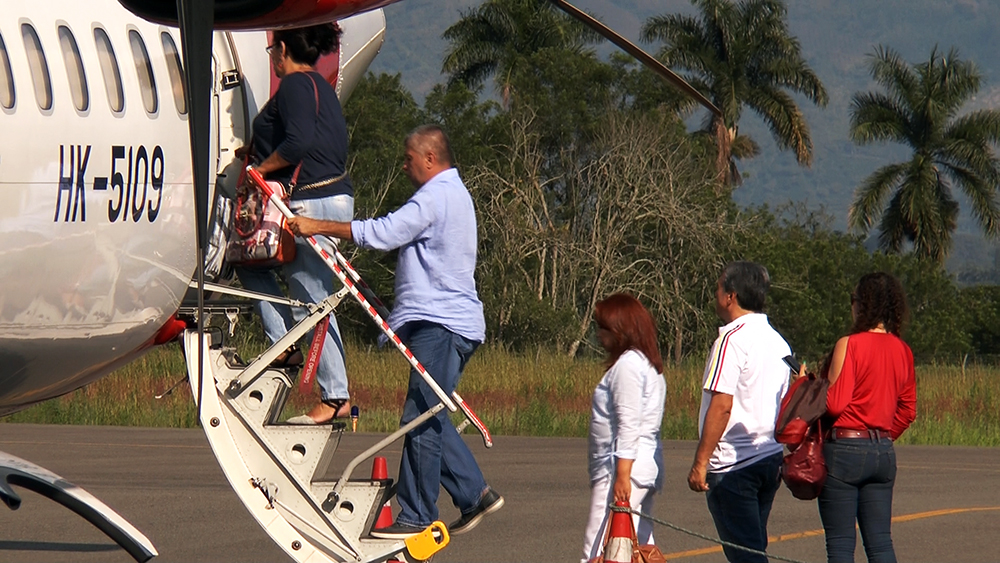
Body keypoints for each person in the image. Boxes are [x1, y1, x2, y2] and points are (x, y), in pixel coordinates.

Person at [286, 124, 504, 539]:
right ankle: (475, 494)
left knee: (419, 418)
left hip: (440, 326)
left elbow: (384, 233)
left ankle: (418, 514)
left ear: (429, 158)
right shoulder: (453, 193)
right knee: (430, 416)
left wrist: (319, 226)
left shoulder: (435, 196)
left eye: (408, 158)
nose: (403, 166)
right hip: (449, 324)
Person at [235, 24, 354, 424]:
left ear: (282, 49)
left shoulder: (295, 86)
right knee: (255, 265)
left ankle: (335, 395)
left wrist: (261, 169)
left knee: (310, 299)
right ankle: (283, 345)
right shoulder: (320, 87)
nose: (272, 57)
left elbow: (299, 142)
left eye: (272, 50)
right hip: (330, 196)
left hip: (312, 199)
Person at [806, 272, 917, 563]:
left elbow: (834, 404)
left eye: (853, 300)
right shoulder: (903, 350)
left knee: (841, 545)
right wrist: (879, 436)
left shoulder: (849, 344)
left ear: (863, 304)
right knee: (881, 544)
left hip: (844, 449)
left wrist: (813, 385)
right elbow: (907, 410)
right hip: (882, 450)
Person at [688, 261, 790, 563]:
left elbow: (722, 405)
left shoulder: (731, 340)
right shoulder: (777, 341)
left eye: (719, 287)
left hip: (735, 465)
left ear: (730, 296)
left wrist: (701, 461)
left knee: (745, 555)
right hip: (769, 456)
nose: (716, 293)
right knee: (754, 546)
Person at [581, 293, 666, 563]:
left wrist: (622, 476)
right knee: (638, 548)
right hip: (641, 465)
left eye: (602, 328)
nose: (598, 334)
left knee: (597, 550)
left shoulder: (628, 366)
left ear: (619, 331)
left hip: (623, 469)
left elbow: (628, 424)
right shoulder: (645, 364)